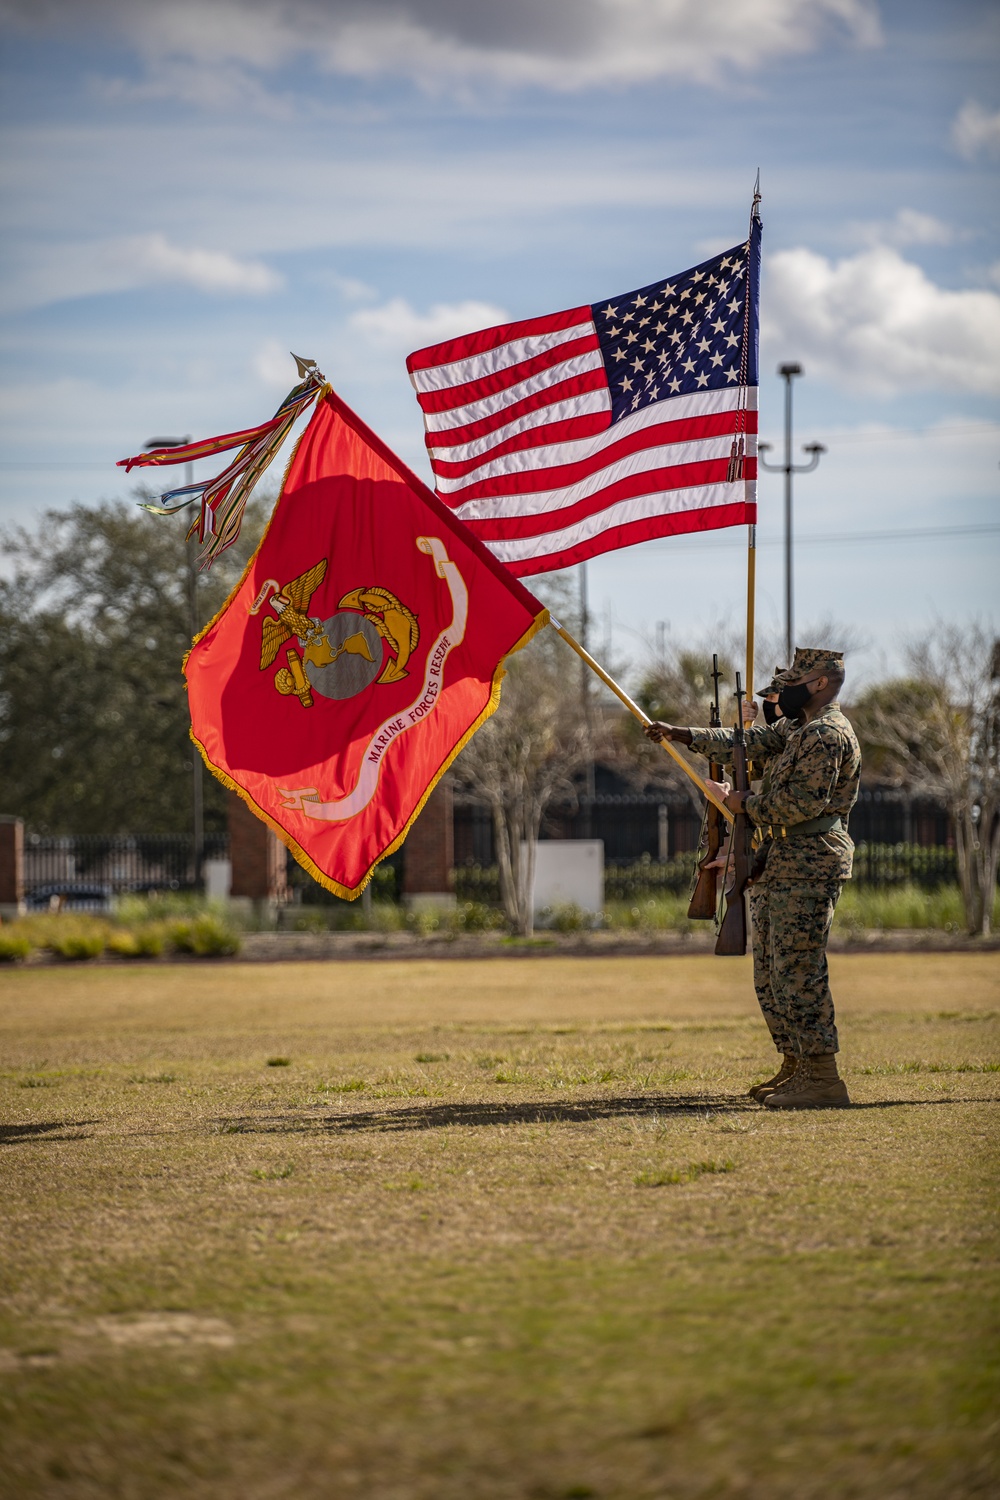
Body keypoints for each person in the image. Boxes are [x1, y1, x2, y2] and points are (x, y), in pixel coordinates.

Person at [645, 648, 862, 1109]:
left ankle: (823, 1076)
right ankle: (796, 1064)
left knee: (798, 969)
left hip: (810, 858)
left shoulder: (825, 734)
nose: (784, 690)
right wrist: (681, 735)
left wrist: (741, 803)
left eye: (796, 680)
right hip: (781, 856)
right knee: (771, 972)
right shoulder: (798, 729)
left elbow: (803, 802)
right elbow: (748, 745)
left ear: (820, 682)